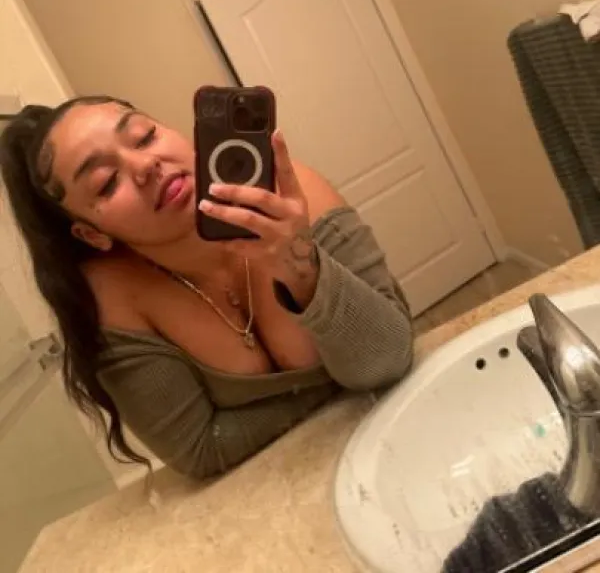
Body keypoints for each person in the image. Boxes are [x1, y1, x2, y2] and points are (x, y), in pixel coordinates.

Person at [0, 95, 413, 479]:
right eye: (107, 182)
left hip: (400, 442)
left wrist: (304, 268)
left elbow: (389, 358)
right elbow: (198, 449)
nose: (145, 165)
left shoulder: (290, 198)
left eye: (144, 136)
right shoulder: (113, 297)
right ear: (93, 234)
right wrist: (332, 382)